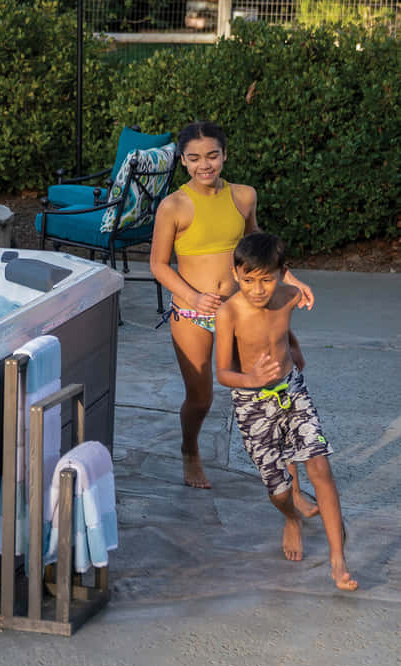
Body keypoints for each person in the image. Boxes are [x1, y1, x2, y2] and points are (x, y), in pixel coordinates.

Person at [150, 121, 316, 500]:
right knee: (202, 397)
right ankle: (190, 449)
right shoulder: (173, 206)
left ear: (224, 155)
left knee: (272, 387)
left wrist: (290, 278)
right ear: (183, 161)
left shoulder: (243, 196)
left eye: (211, 155)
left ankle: (291, 480)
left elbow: (259, 250)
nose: (204, 165)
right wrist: (192, 297)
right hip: (193, 313)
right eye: (193, 158)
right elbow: (158, 265)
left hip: (241, 311)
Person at [215, 232, 357, 591]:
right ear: (236, 274)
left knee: (320, 465)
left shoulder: (289, 295)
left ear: (281, 274)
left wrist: (293, 348)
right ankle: (292, 518)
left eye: (266, 279)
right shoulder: (229, 312)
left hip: (292, 391)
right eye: (248, 280)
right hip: (251, 403)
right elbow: (221, 373)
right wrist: (250, 377)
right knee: (278, 491)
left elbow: (281, 327)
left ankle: (338, 558)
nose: (258, 289)